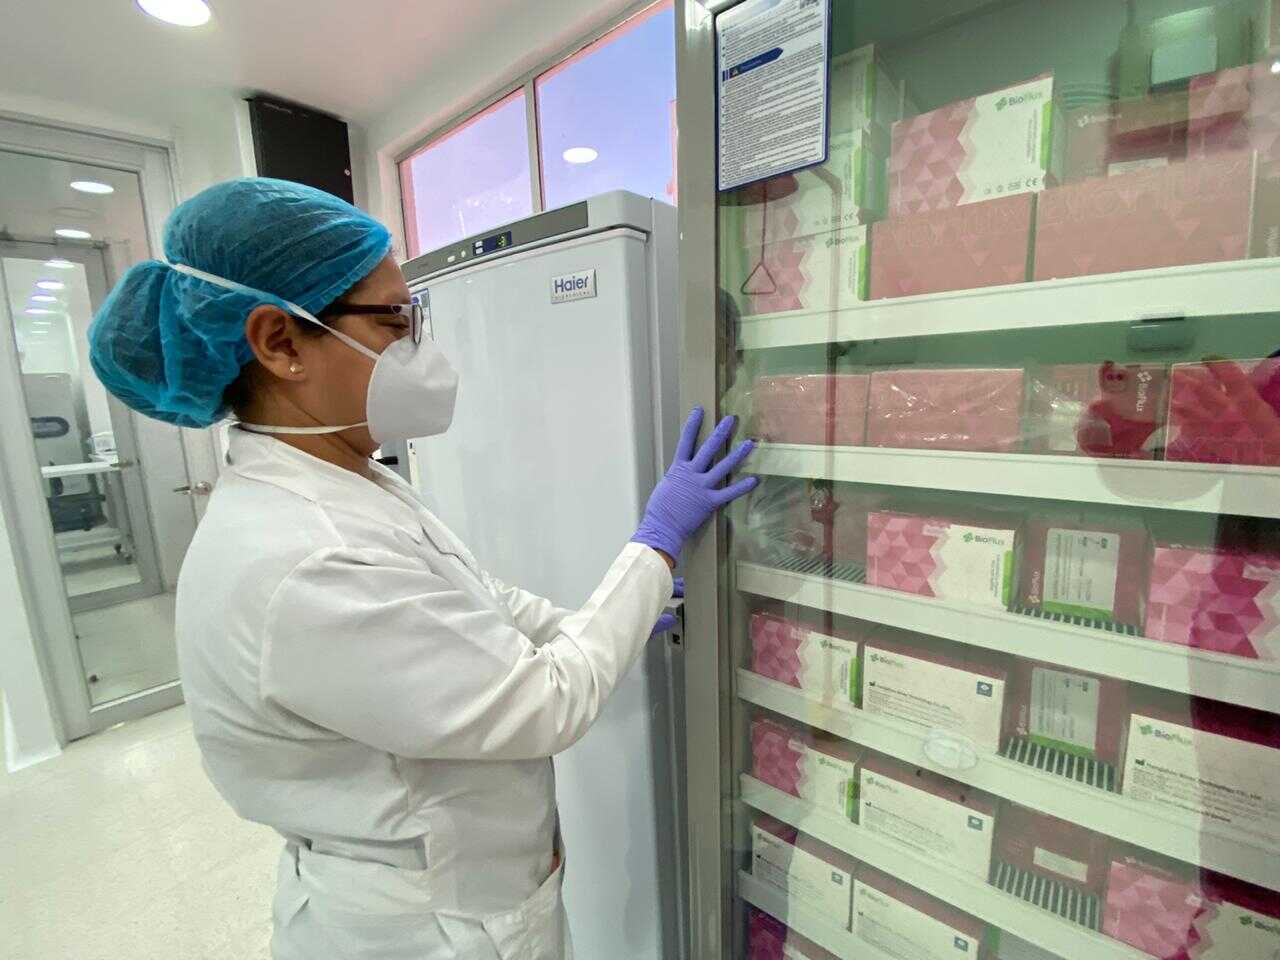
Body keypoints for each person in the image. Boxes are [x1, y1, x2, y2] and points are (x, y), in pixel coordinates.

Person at [88, 177, 757, 960]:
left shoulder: (343, 480)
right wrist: (655, 544)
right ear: (280, 342)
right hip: (423, 925)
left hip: (466, 888)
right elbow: (544, 703)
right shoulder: (307, 557)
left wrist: (617, 612)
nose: (421, 349)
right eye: (395, 321)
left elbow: (474, 598)